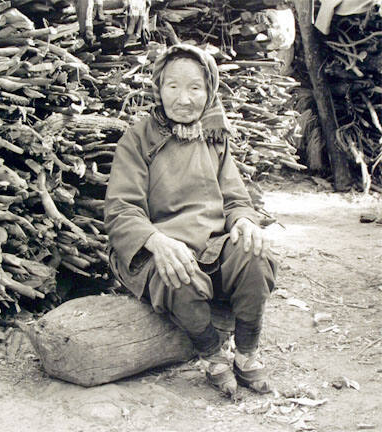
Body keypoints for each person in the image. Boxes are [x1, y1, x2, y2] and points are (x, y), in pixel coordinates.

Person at [104, 44, 277, 397]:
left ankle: (245, 354)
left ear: (209, 91)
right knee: (180, 275)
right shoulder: (138, 138)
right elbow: (122, 210)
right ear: (158, 88)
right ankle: (212, 355)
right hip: (156, 246)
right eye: (173, 87)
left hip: (210, 245)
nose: (184, 99)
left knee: (255, 256)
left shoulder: (214, 137)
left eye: (195, 88)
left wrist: (243, 221)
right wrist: (157, 242)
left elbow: (235, 199)